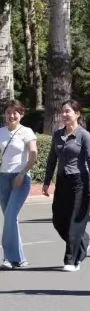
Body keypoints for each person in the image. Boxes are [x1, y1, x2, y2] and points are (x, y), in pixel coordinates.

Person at [42, 100, 90, 271]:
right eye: (63, 111)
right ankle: (83, 240)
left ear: (77, 114)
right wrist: (46, 182)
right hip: (62, 181)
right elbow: (52, 160)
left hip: (79, 181)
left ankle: (72, 260)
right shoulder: (57, 135)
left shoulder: (83, 135)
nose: (64, 114)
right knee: (59, 220)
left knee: (75, 221)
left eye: (68, 111)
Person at [0, 100, 37, 269]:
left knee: (10, 216)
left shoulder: (26, 132)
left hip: (20, 179)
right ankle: (19, 259)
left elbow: (33, 156)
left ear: (21, 114)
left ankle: (9, 258)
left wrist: (22, 174)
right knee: (10, 219)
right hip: (3, 178)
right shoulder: (1, 132)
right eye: (8, 112)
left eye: (15, 112)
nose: (11, 116)